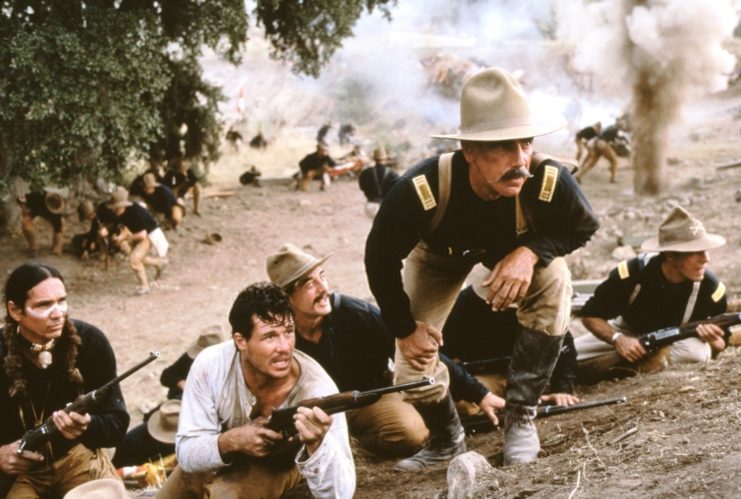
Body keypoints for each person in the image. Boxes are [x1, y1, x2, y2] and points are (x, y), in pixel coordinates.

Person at [365, 67, 599, 467]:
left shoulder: (548, 179)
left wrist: (530, 252)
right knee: (410, 371)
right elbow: (379, 257)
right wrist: (405, 330)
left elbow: (583, 225)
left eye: (525, 144)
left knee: (556, 279)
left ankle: (520, 416)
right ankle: (446, 438)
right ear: (469, 150)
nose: (520, 159)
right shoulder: (421, 189)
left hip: (511, 251)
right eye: (504, 147)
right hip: (439, 256)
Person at [266, 244, 505, 460]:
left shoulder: (356, 313)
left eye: (322, 276)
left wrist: (479, 393)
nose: (323, 288)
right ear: (286, 298)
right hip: (315, 412)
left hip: (372, 398)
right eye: (309, 284)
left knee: (417, 428)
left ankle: (495, 389)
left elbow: (418, 351)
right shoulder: (277, 335)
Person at [157, 282, 354, 498]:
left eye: (288, 332)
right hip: (221, 451)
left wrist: (317, 444)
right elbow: (186, 451)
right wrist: (231, 440)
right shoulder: (211, 365)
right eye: (270, 336)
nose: (284, 347)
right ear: (241, 341)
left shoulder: (317, 387)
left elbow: (341, 493)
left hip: (280, 466)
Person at [0, 263, 129, 497]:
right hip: (19, 473)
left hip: (76, 458)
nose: (58, 312)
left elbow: (117, 424)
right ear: (16, 311)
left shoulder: (90, 342)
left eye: (61, 301)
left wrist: (87, 425)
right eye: (44, 305)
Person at [575, 206, 729, 382]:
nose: (706, 259)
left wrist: (710, 338)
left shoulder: (711, 288)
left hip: (677, 340)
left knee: (695, 353)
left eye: (706, 250)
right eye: (695, 252)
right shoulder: (633, 273)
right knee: (564, 356)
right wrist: (618, 339)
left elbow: (722, 342)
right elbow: (590, 315)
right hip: (629, 330)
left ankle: (636, 366)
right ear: (670, 255)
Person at [441, 282, 580, 413]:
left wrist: (562, 388)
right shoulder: (463, 308)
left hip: (532, 372)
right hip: (482, 375)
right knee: (462, 404)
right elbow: (442, 357)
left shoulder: (539, 304)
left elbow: (563, 343)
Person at [113, 327, 224, 468]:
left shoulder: (226, 370)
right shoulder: (191, 359)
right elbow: (167, 375)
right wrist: (183, 384)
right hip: (173, 409)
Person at [107, 187, 169, 295]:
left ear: (122, 205)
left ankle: (144, 286)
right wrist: (120, 237)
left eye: (115, 207)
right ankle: (159, 263)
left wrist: (126, 238)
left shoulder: (135, 212)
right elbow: (123, 228)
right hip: (141, 234)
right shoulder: (121, 213)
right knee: (141, 258)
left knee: (134, 259)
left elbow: (142, 234)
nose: (114, 209)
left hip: (150, 234)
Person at [575, 118, 630, 183]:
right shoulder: (617, 130)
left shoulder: (610, 127)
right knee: (614, 160)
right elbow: (618, 141)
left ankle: (578, 176)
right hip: (602, 144)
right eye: (623, 125)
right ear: (620, 125)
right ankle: (612, 179)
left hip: (597, 143)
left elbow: (607, 137)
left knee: (592, 162)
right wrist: (625, 143)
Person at [17, 190, 66, 257]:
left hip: (49, 214)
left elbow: (58, 230)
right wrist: (24, 208)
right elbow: (20, 197)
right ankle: (33, 247)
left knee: (62, 223)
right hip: (34, 210)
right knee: (25, 224)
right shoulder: (36, 195)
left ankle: (55, 246)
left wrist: (58, 246)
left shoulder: (56, 212)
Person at [71, 200, 119, 265]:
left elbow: (117, 222)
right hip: (101, 236)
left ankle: (107, 250)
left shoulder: (105, 210)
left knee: (101, 233)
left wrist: (107, 229)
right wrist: (86, 250)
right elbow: (92, 232)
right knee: (77, 238)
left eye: (87, 218)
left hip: (114, 233)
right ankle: (92, 249)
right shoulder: (96, 219)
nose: (88, 219)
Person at [358, 146, 400, 218]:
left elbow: (362, 187)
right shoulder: (393, 174)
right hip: (386, 206)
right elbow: (397, 191)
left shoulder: (365, 173)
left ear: (374, 159)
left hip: (370, 206)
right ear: (386, 159)